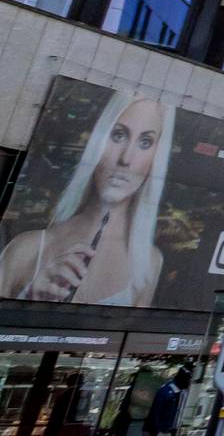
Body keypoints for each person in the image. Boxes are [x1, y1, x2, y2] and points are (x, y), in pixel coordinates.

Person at [0, 92, 173, 307]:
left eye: (145, 142)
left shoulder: (149, 263)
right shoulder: (27, 248)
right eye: (118, 135)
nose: (126, 159)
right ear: (97, 141)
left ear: (158, 156)